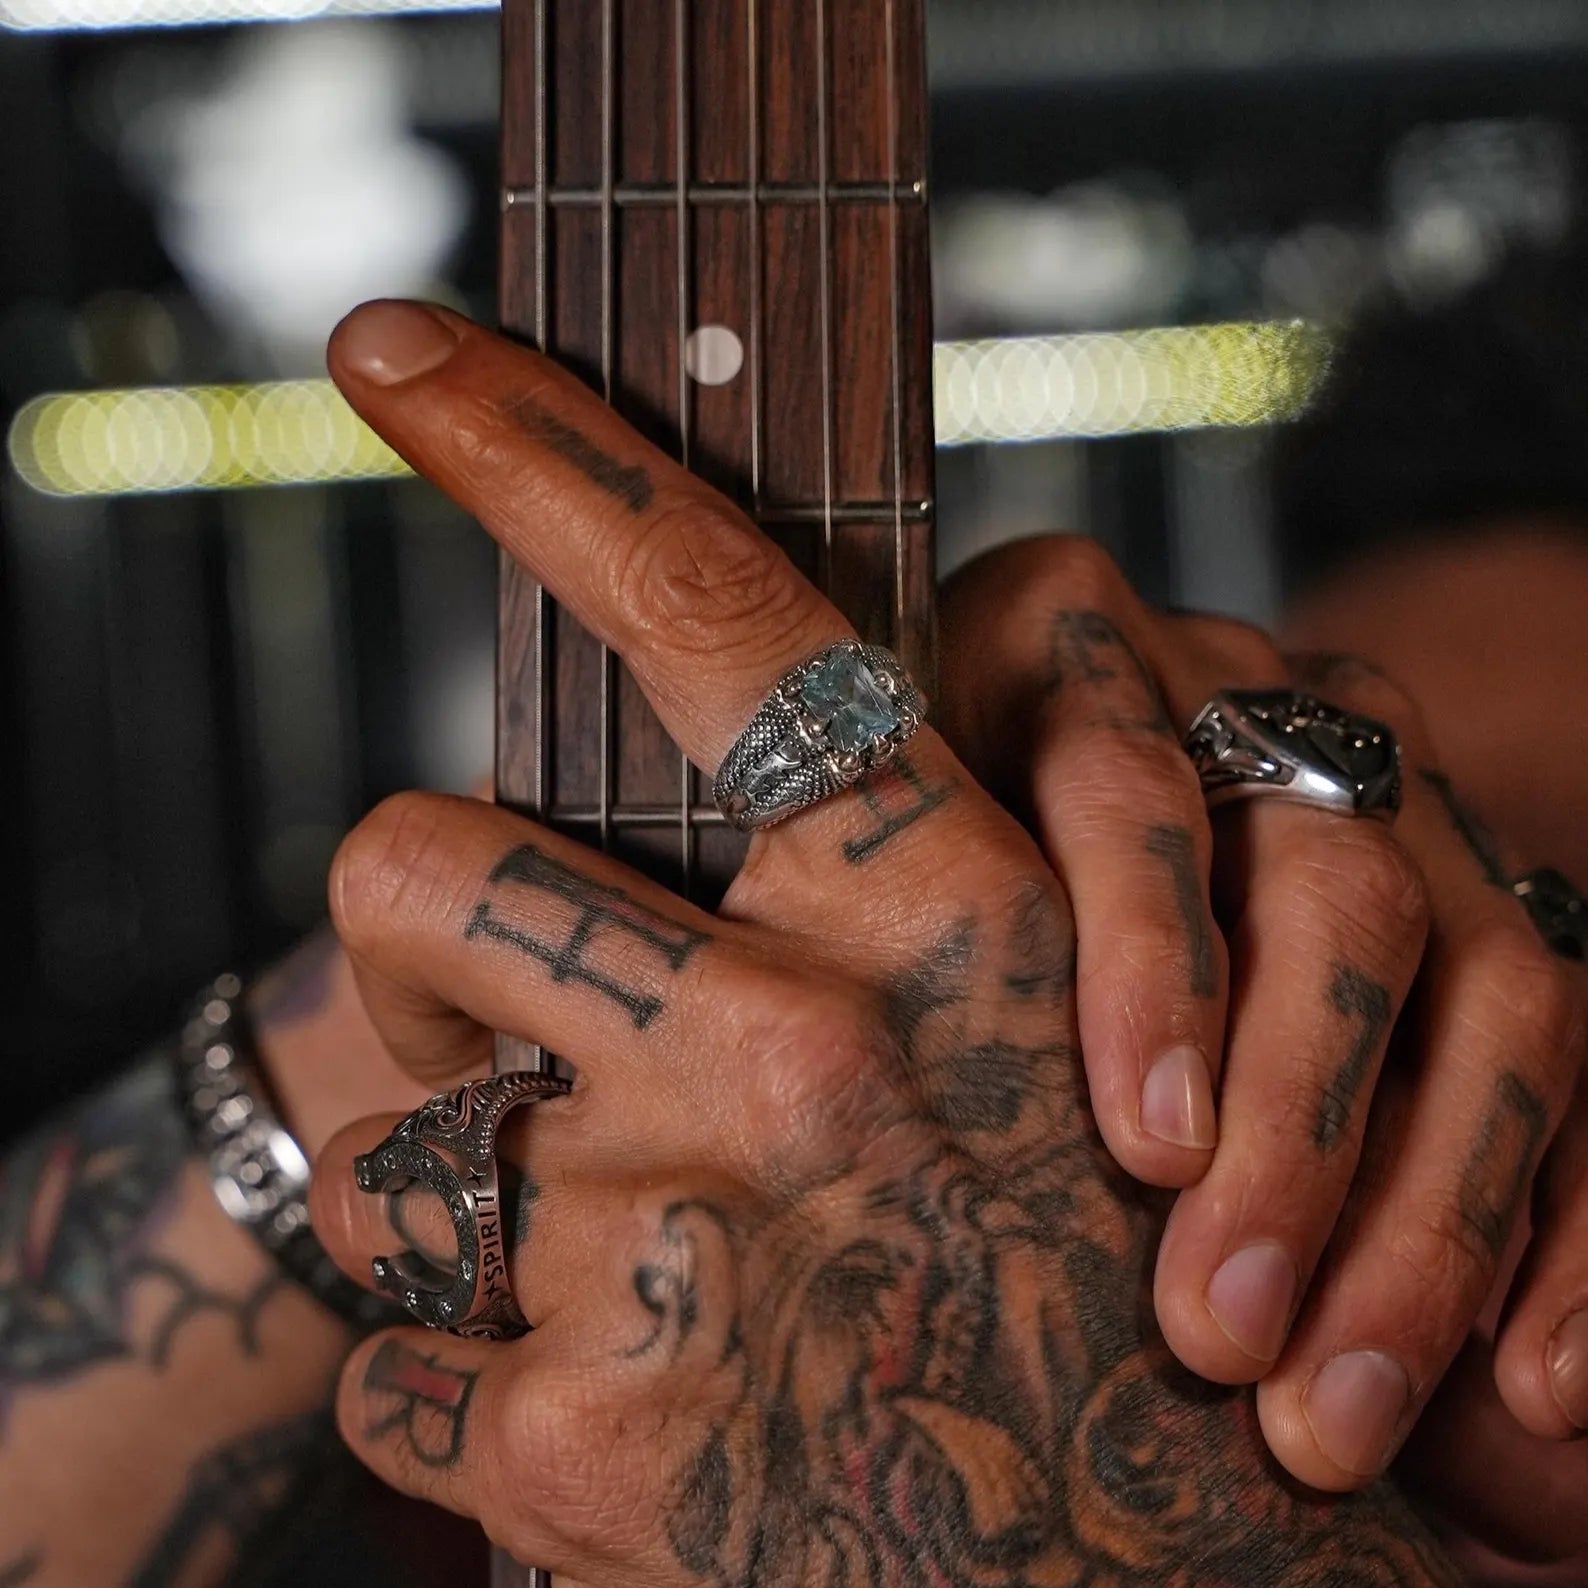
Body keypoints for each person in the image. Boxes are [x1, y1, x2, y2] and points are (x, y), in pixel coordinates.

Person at [1, 298, 1584, 1585]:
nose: (1432, 998)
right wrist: (549, 959)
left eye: (1563, 913)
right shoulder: (600, 1393)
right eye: (1400, 877)